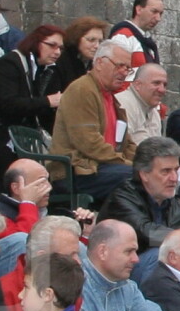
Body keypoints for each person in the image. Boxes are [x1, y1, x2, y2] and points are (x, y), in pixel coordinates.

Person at [0, 22, 64, 183]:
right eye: (52, 45)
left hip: (9, 139)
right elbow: (9, 104)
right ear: (36, 42)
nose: (57, 52)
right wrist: (48, 101)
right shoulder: (10, 63)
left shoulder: (39, 68)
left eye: (60, 48)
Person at [53, 39, 141, 201]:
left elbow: (127, 143)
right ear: (99, 63)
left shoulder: (111, 98)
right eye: (119, 66)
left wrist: (146, 162)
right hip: (76, 172)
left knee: (156, 175)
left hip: (104, 167)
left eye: (127, 68)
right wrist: (127, 163)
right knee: (138, 177)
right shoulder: (82, 89)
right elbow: (89, 143)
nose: (124, 72)